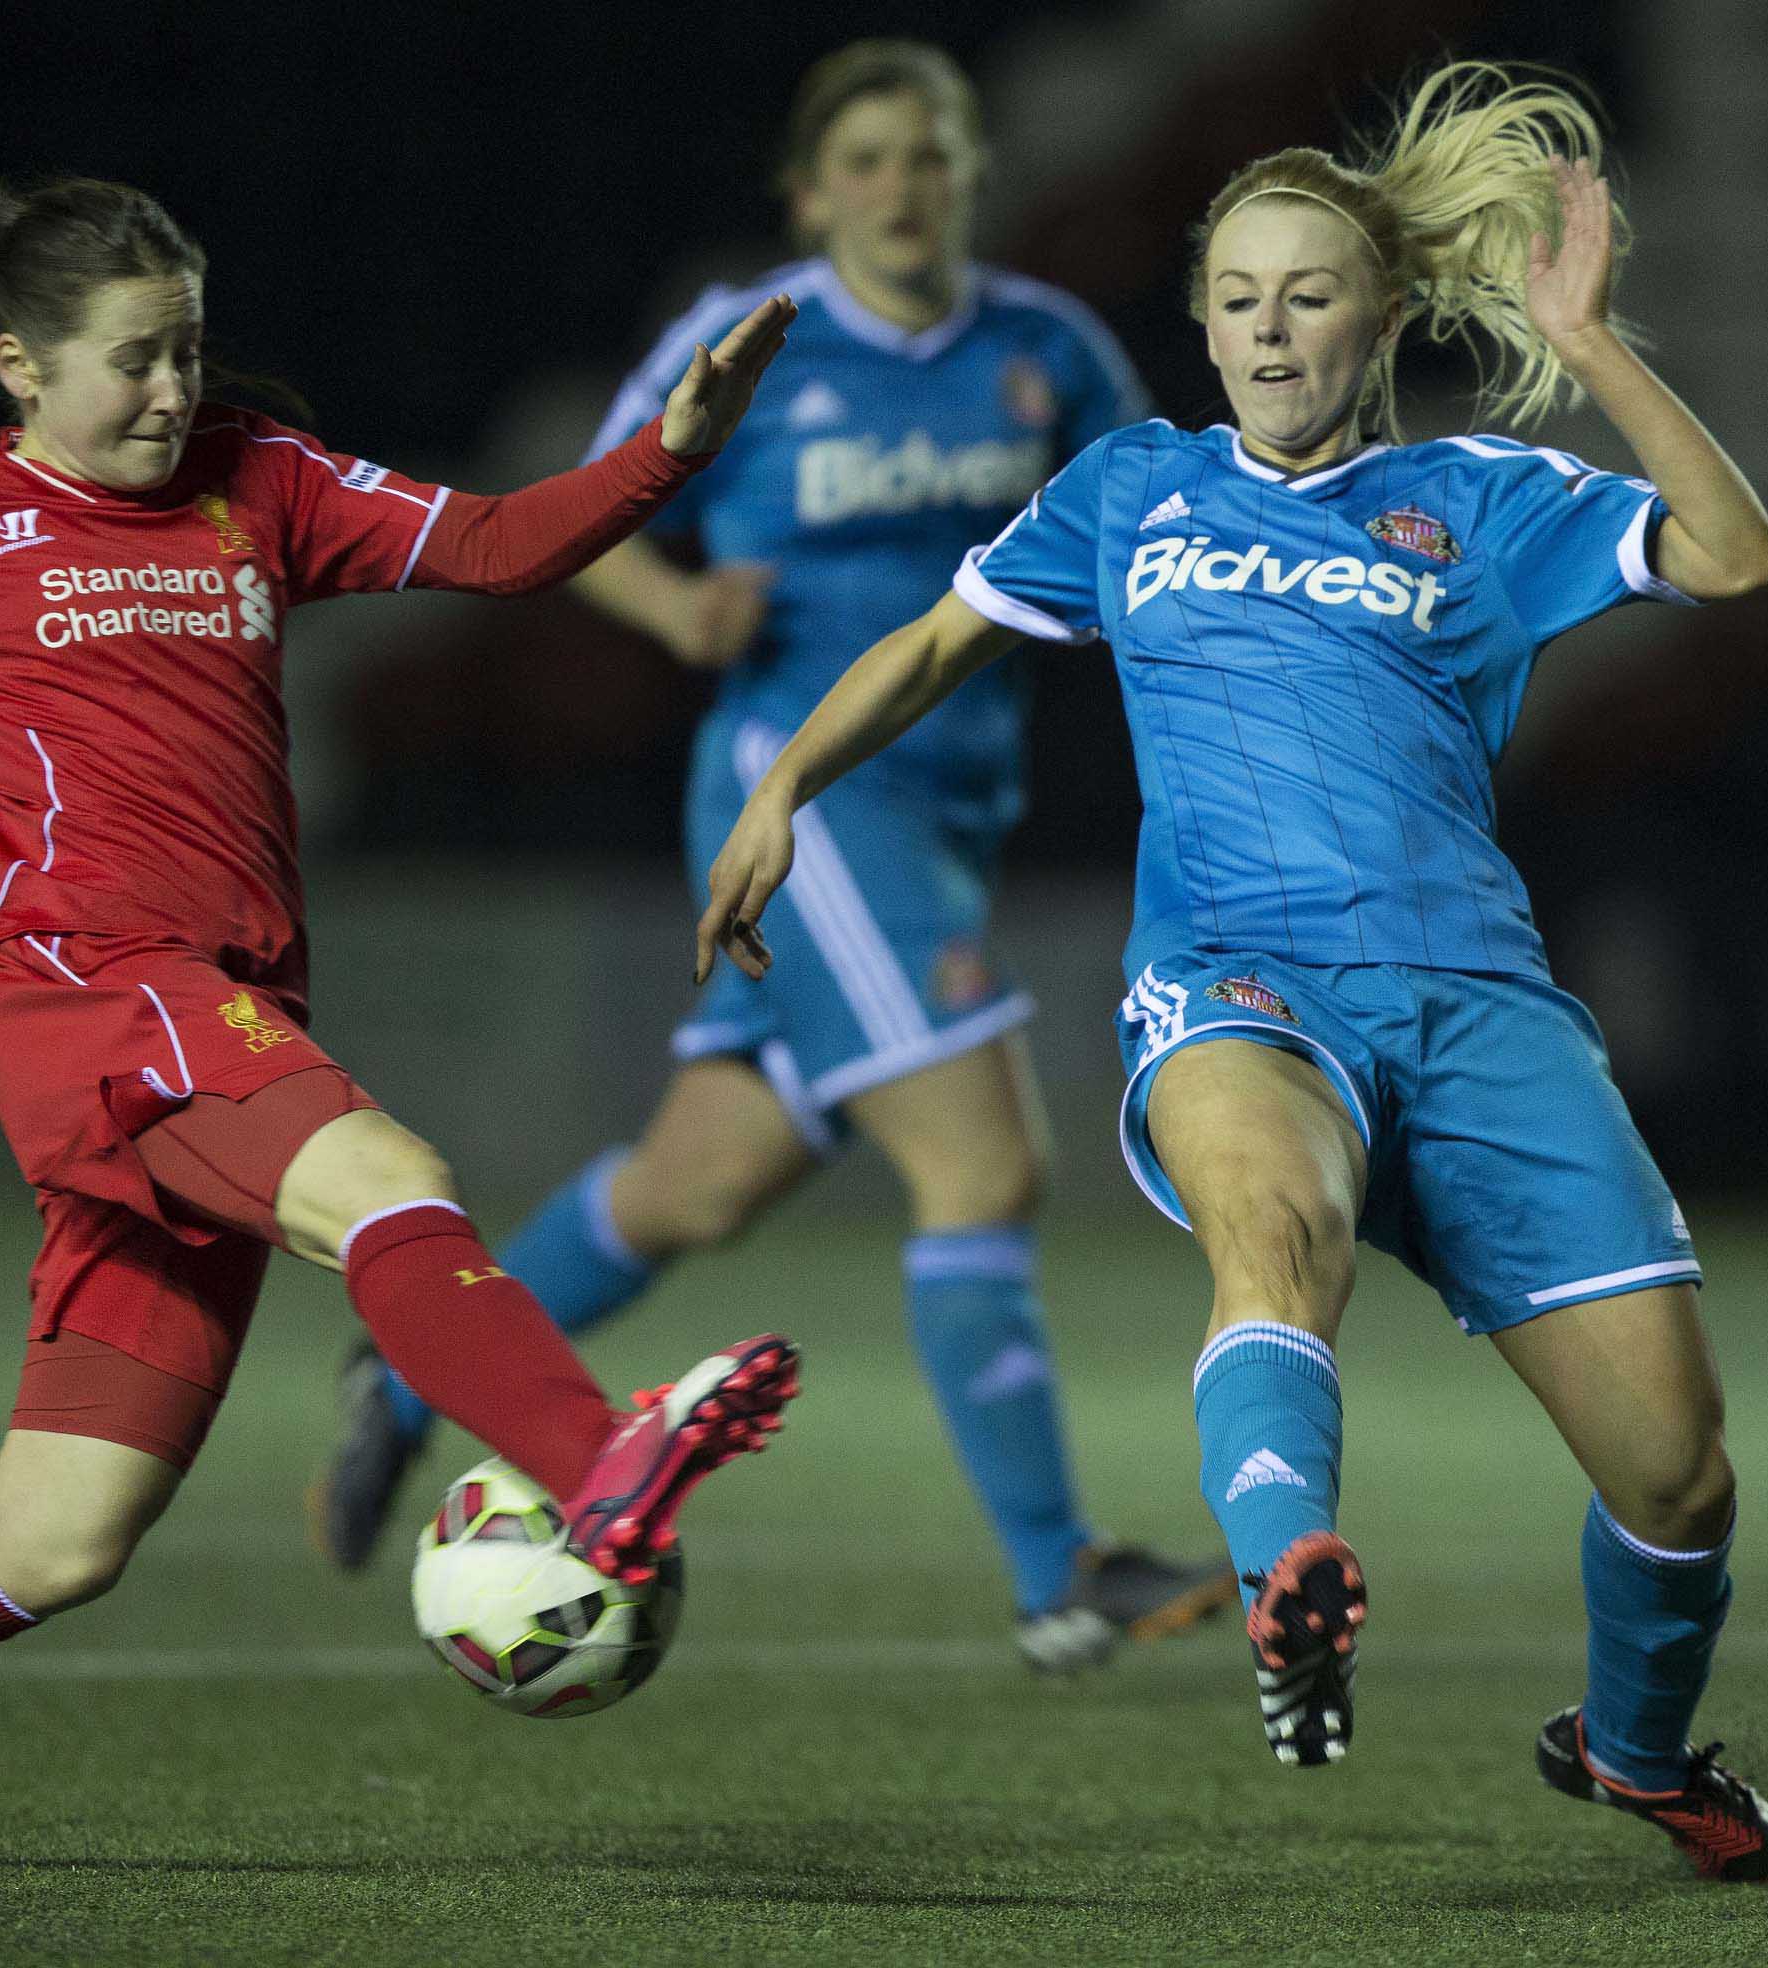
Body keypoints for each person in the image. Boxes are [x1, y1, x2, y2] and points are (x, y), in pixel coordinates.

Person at [0, 173, 803, 1864]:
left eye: (189, 351)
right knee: (390, 1177)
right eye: (136, 361)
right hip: (90, 991)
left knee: (51, 1549)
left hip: (217, 1014)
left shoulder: (261, 482)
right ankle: (601, 1463)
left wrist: (669, 447)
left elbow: (506, 546)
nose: (172, 392)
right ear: (19, 365)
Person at [693, 63, 1768, 1880]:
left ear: (1377, 317)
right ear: (1201, 330)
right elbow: (932, 644)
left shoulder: (1480, 496)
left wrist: (1588, 341)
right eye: (1234, 300)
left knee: (1679, 1477)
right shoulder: (1132, 487)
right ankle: (1291, 1566)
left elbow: (1741, 556)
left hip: (1476, 1005)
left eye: (1306, 295)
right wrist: (786, 788)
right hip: (1240, 979)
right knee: (1269, 1236)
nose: (1268, 331)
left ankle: (1638, 1754)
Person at [314, 40, 1236, 1673]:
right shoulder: (755, 341)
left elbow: (1162, 523)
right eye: (869, 160)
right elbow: (575, 508)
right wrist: (675, 604)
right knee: (984, 1161)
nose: (904, 187)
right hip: (801, 806)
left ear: (969, 177)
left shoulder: (1049, 352)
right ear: (812, 194)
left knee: (695, 1183)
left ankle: (402, 1379)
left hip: (949, 813)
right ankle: (1054, 1575)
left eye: (933, 156)